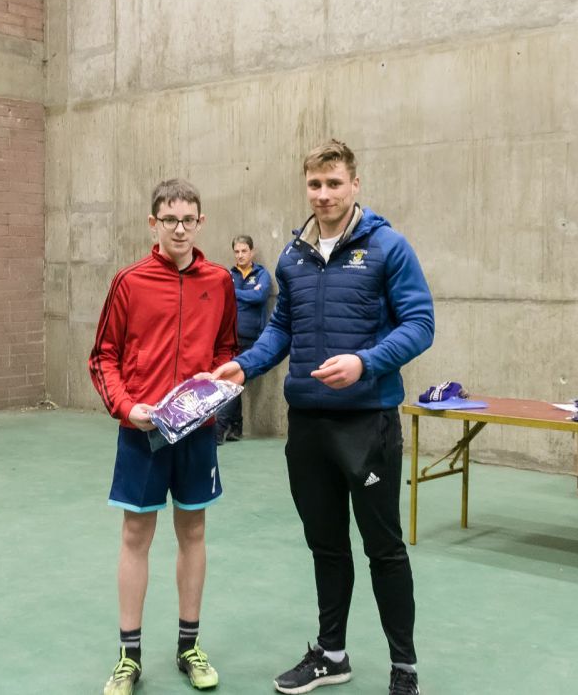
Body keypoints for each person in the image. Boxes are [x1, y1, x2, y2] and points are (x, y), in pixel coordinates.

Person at [213, 139, 433, 695]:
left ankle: (403, 668)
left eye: (335, 183)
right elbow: (281, 330)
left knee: (383, 548)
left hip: (368, 423)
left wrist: (366, 362)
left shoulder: (388, 247)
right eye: (315, 184)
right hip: (308, 425)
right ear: (305, 187)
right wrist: (243, 366)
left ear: (354, 185)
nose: (325, 194)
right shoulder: (293, 256)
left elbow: (419, 323)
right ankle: (332, 654)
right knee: (326, 545)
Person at [88, 179, 237, 695]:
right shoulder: (129, 282)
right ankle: (129, 658)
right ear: (153, 223)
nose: (180, 228)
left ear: (200, 222)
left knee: (193, 533)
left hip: (196, 434)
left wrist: (221, 383)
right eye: (170, 219)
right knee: (136, 536)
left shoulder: (219, 281)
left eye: (188, 219)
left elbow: (226, 350)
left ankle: (189, 647)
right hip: (142, 432)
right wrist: (130, 408)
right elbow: (103, 355)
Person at [215, 234, 271, 444]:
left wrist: (235, 293)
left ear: (252, 252)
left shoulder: (262, 274)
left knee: (235, 381)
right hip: (230, 339)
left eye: (244, 251)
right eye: (236, 251)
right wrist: (246, 294)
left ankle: (220, 428)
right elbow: (222, 297)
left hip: (253, 340)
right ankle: (235, 427)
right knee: (233, 382)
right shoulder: (228, 275)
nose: (240, 255)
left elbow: (260, 297)